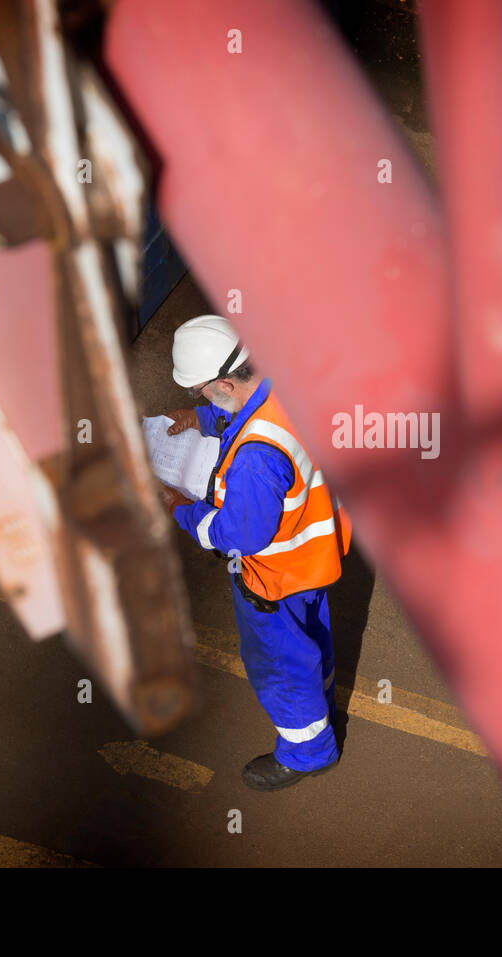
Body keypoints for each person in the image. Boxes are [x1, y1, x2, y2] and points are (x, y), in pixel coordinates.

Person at [160, 314, 351, 791]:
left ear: (224, 381)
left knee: (280, 667)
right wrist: (202, 418)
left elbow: (238, 534)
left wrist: (182, 510)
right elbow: (250, 406)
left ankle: (308, 753)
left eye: (200, 392)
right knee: (312, 644)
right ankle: (321, 703)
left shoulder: (256, 457)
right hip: (316, 558)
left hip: (273, 578)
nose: (199, 397)